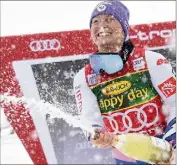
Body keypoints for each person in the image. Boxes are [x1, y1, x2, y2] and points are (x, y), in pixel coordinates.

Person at [73, 1, 176, 164]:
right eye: (96, 21)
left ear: (124, 28)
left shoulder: (151, 60)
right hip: (125, 159)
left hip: (165, 152)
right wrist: (97, 135)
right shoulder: (83, 77)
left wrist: (171, 142)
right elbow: (88, 120)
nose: (102, 25)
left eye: (109, 19)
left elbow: (175, 103)